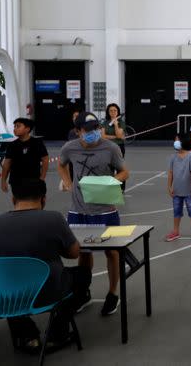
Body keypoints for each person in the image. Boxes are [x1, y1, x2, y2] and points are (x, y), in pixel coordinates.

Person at [0, 179, 91, 353]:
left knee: (11, 284)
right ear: (43, 199)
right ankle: (57, 332)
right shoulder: (53, 219)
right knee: (82, 274)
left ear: (13, 199)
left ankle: (27, 336)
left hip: (3, 296)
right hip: (46, 294)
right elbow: (74, 253)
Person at [57, 112, 129, 317]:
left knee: (112, 252)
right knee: (83, 252)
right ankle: (82, 292)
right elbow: (61, 164)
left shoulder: (111, 148)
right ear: (78, 131)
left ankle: (113, 293)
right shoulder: (69, 148)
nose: (93, 134)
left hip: (105, 210)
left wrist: (109, 183)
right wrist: (68, 182)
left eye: (96, 129)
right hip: (78, 210)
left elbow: (124, 172)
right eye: (87, 131)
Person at [165, 133, 191, 242]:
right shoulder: (173, 157)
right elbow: (170, 173)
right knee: (177, 211)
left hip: (189, 191)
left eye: (177, 140)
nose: (175, 142)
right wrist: (169, 187)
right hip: (177, 191)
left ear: (184, 142)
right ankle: (175, 231)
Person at [0, 118, 48, 194]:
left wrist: (42, 177)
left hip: (34, 180)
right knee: (18, 203)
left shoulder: (37, 143)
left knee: (34, 203)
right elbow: (7, 163)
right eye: (14, 126)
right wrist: (3, 181)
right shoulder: (12, 145)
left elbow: (45, 160)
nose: (15, 129)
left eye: (18, 126)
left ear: (27, 129)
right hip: (16, 181)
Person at [102, 103, 127, 191]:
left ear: (117, 112)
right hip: (107, 147)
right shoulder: (104, 123)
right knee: (109, 168)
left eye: (115, 110)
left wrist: (116, 124)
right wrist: (114, 137)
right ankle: (110, 187)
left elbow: (119, 135)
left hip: (119, 147)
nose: (113, 112)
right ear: (108, 112)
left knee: (120, 167)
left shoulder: (121, 123)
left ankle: (121, 188)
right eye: (111, 111)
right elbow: (103, 136)